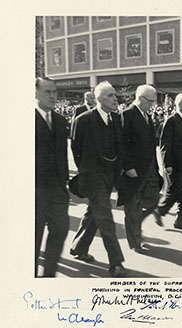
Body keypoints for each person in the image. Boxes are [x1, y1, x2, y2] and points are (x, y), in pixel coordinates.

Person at [69, 81, 127, 277]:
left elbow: (120, 148)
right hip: (93, 177)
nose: (115, 99)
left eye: (115, 95)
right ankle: (116, 262)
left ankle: (78, 248)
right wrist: (87, 171)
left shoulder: (117, 119)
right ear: (99, 98)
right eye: (111, 95)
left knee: (94, 213)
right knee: (106, 218)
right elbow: (76, 150)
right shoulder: (84, 120)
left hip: (110, 176)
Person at [117, 85, 163, 254]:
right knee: (133, 208)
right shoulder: (127, 115)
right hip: (134, 170)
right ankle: (136, 241)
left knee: (154, 200)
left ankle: (136, 226)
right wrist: (128, 167)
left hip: (149, 168)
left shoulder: (147, 116)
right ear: (141, 98)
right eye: (150, 101)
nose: (152, 105)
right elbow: (122, 144)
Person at [35, 77, 70, 277]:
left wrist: (64, 181)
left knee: (60, 230)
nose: (52, 96)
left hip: (57, 189)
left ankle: (48, 275)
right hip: (35, 189)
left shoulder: (60, 120)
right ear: (36, 93)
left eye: (55, 92)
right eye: (47, 92)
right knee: (34, 236)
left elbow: (62, 155)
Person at [154, 94, 182, 230]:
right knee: (176, 191)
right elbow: (164, 145)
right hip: (175, 164)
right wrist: (167, 164)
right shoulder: (171, 120)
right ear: (180, 104)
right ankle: (160, 210)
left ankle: (181, 221)